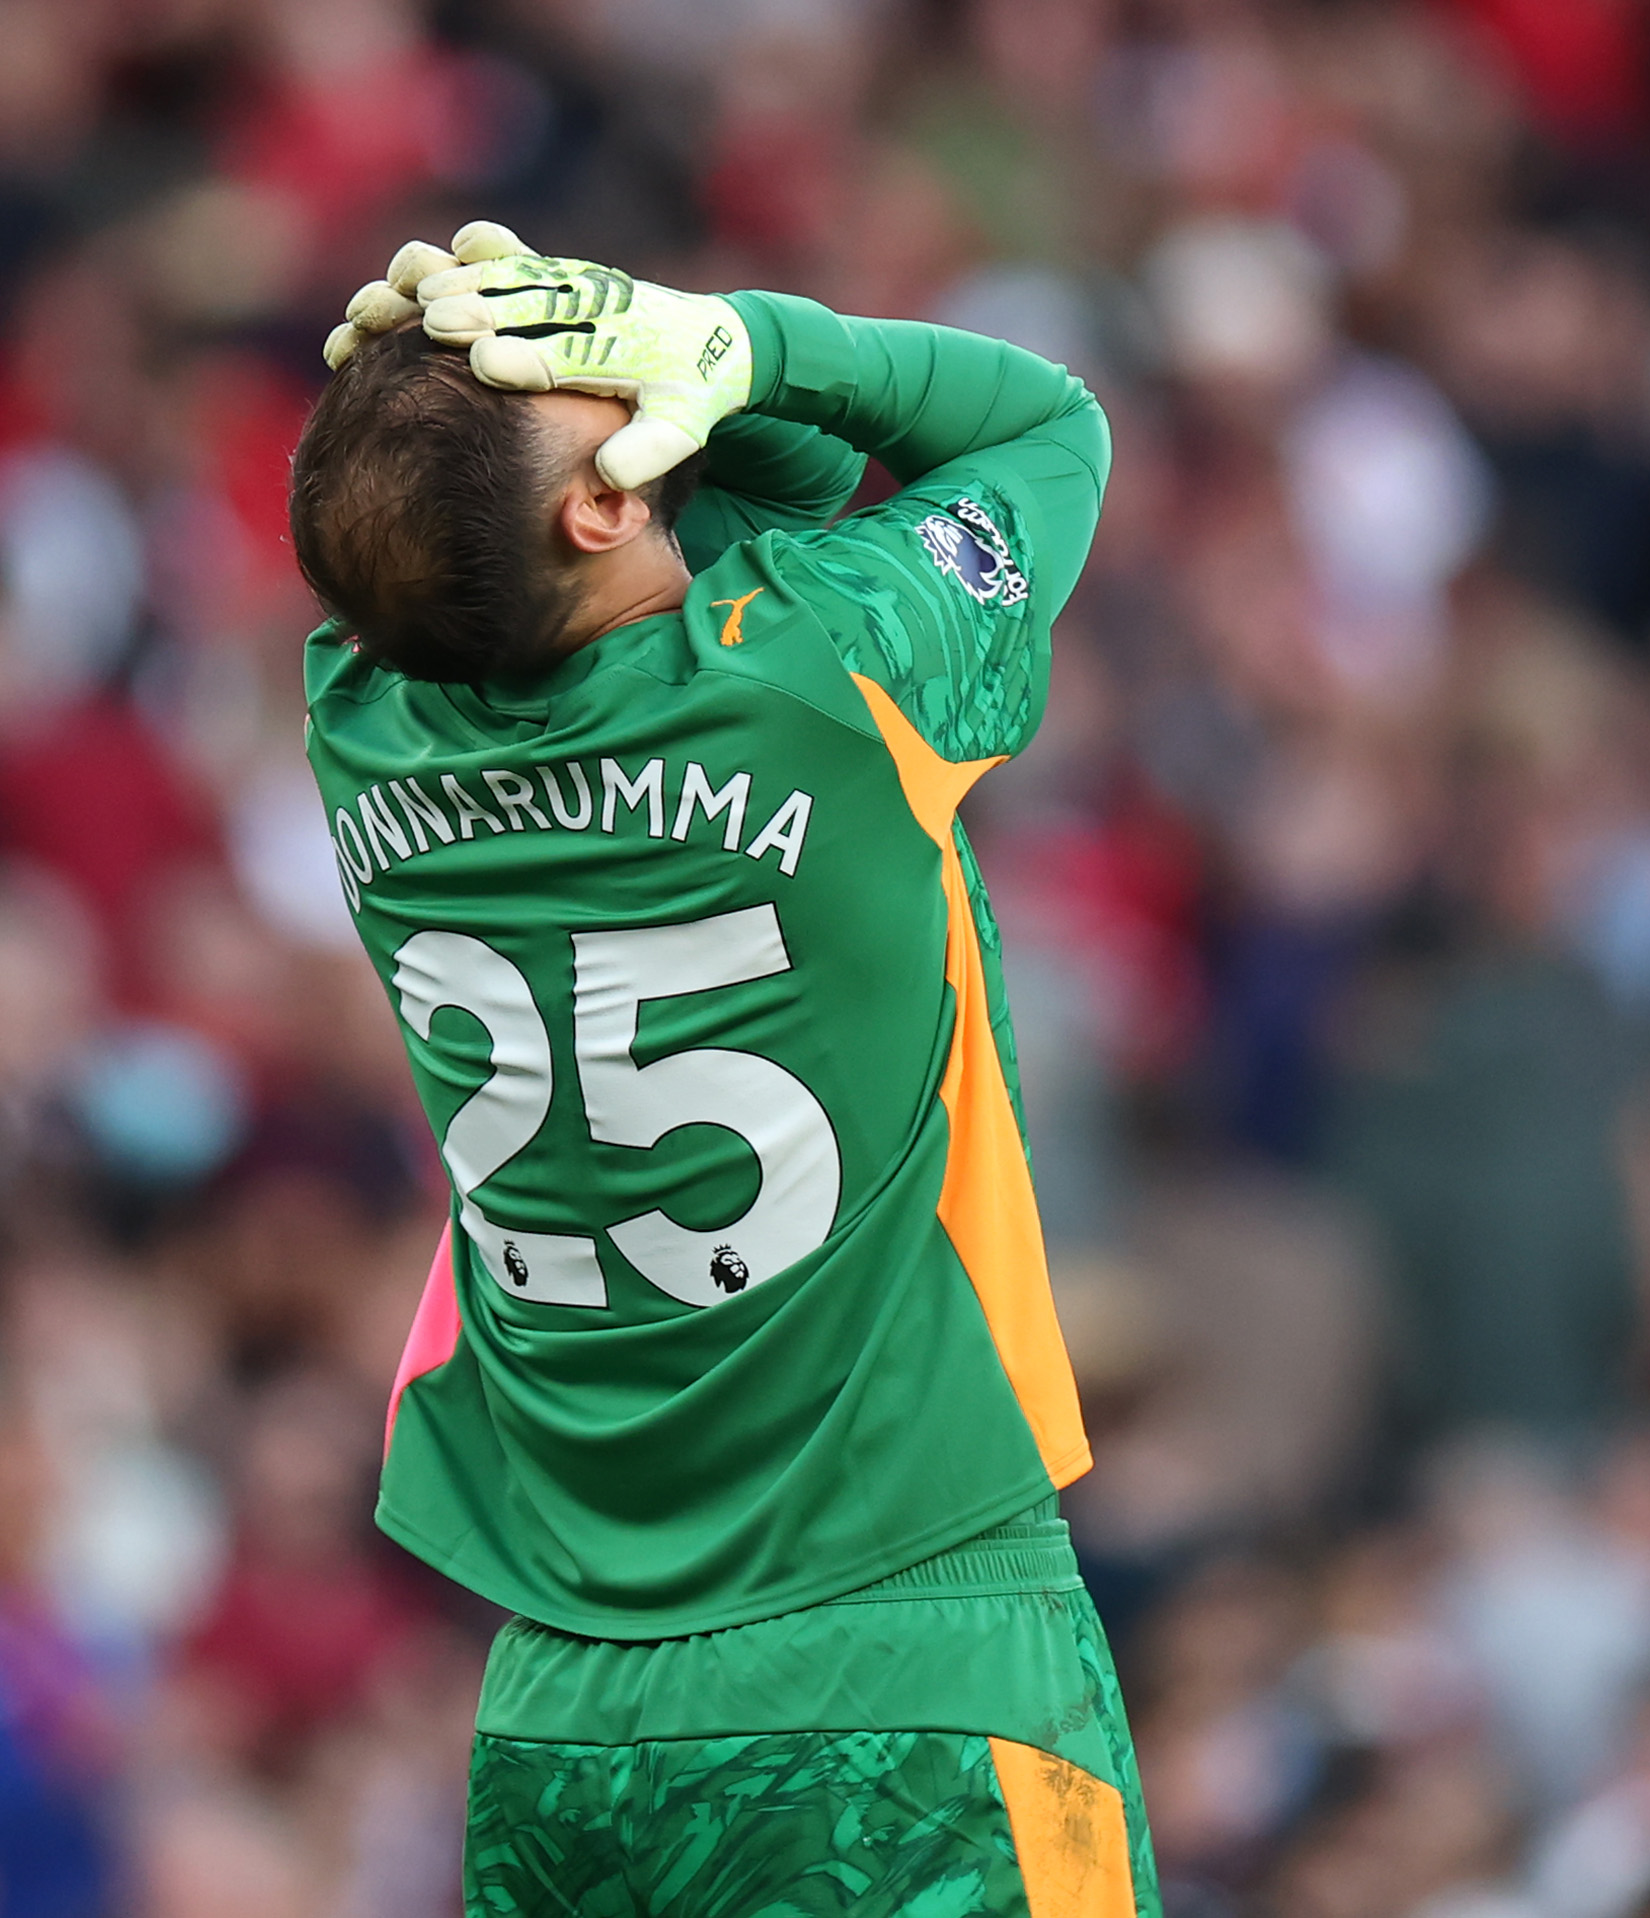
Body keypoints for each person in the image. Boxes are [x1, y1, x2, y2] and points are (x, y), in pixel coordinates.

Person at [293, 224, 1154, 1912]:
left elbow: (509, 552)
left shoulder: (359, 723)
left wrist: (440, 424)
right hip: (913, 1659)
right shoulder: (823, 681)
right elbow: (1046, 425)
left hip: (564, 1712)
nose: (603, 362)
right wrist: (738, 342)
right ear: (602, 504)